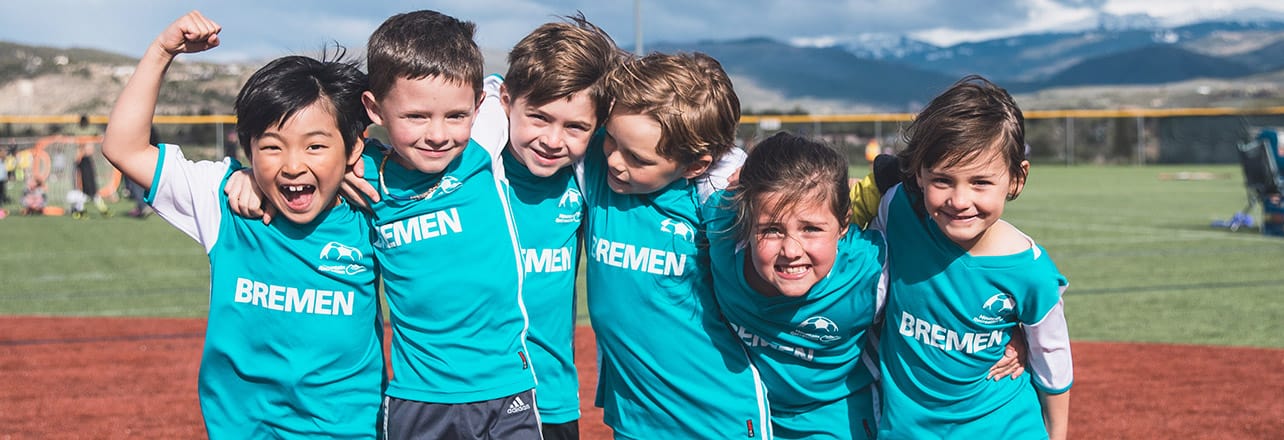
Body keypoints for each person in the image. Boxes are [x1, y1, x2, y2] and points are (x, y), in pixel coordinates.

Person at [100, 11, 384, 439]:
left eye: (316, 146)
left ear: (353, 146)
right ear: (248, 147)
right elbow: (123, 148)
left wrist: (367, 163)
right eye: (271, 147)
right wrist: (162, 50)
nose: (292, 165)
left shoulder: (375, 200)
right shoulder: (224, 200)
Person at [340, 10, 535, 439]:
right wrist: (249, 182)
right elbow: (294, 158)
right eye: (415, 117)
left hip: (507, 392)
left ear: (478, 108)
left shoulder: (484, 139)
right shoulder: (361, 169)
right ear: (374, 108)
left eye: (455, 116)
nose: (438, 134)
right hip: (417, 398)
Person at [580, 51, 771, 439]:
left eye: (636, 158)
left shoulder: (715, 204)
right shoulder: (603, 173)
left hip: (717, 420)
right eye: (612, 140)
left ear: (695, 166)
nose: (615, 160)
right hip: (633, 418)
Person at [870, 75, 1072, 439]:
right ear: (918, 174)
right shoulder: (896, 209)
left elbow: (1052, 362)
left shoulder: (1032, 273)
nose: (959, 200)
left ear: (1016, 179)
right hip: (906, 430)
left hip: (1004, 427)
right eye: (942, 180)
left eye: (980, 182)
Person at [494, 14, 621, 440]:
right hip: (465, 395)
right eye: (539, 118)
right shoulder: (470, 165)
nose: (553, 140)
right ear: (506, 102)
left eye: (575, 127)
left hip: (550, 399)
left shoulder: (592, 173)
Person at [70, 115, 110, 218]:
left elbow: (99, 137)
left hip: (85, 159)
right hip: (81, 159)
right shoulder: (79, 131)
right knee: (83, 186)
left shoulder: (88, 130)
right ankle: (80, 209)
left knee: (89, 187)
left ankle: (89, 208)